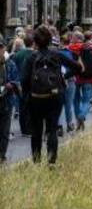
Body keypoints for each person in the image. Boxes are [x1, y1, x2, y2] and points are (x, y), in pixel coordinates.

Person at [21, 26, 82, 165]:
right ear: (50, 40)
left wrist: (27, 96)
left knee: (36, 132)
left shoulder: (31, 58)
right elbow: (78, 68)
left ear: (35, 42)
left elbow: (24, 80)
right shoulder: (57, 54)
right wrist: (64, 77)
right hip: (54, 96)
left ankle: (36, 162)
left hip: (35, 98)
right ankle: (51, 162)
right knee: (52, 129)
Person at [0, 39, 20, 162]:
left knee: (4, 130)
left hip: (6, 101)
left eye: (1, 48)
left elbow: (17, 80)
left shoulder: (10, 64)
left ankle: (2, 154)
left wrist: (11, 85)